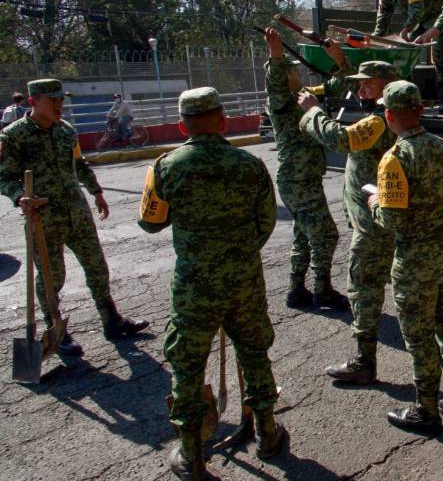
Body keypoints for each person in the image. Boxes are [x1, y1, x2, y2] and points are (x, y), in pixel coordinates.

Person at [138, 87, 285, 480]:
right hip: (244, 280)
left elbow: (150, 222)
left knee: (186, 366)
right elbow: (265, 224)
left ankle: (192, 457)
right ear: (222, 120)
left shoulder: (166, 167)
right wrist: (236, 252)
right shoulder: (250, 166)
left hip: (194, 286)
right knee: (254, 353)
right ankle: (267, 434)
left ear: (182, 125)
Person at [0, 79, 148, 357]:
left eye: (61, 100)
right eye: (52, 101)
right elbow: (4, 176)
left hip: (77, 214)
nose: (59, 106)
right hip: (43, 218)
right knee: (52, 278)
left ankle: (112, 321)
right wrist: (19, 196)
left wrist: (97, 192)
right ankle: (56, 331)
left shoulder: (66, 131)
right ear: (33, 102)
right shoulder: (14, 136)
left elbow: (78, 164)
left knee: (97, 268)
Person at [367, 81, 443, 432]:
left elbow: (392, 220)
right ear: (421, 111)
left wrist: (374, 204)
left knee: (418, 336)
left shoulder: (395, 159)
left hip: (416, 262)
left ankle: (427, 409)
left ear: (388, 115)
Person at [298, 60, 398, 384]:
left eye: (367, 84)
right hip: (370, 220)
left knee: (362, 288)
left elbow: (341, 139)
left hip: (372, 226)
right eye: (359, 84)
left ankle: (364, 362)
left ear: (386, 86)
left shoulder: (379, 122)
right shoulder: (382, 116)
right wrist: (339, 61)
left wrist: (313, 111)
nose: (360, 90)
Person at [263, 27, 349, 310]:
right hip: (297, 180)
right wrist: (276, 54)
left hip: (304, 179)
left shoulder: (303, 95)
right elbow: (275, 84)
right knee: (326, 234)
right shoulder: (281, 102)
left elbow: (338, 86)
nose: (298, 74)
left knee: (304, 232)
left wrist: (340, 60)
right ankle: (322, 290)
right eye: (293, 71)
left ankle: (296, 289)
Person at [366, 0, 443, 115]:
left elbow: (416, 9)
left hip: (437, 17)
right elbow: (382, 20)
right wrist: (374, 40)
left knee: (439, 53)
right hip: (419, 22)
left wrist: (406, 29)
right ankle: (408, 97)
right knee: (405, 54)